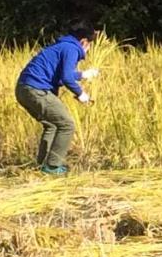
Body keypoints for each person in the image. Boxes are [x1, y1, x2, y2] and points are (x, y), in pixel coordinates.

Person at [15, 21, 101, 175]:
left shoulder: (62, 46)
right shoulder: (72, 48)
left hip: (24, 89)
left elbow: (61, 75)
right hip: (37, 90)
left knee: (53, 125)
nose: (88, 50)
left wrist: (82, 75)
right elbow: (67, 78)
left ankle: (42, 165)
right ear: (83, 41)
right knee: (67, 124)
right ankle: (53, 167)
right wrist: (81, 94)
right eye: (89, 45)